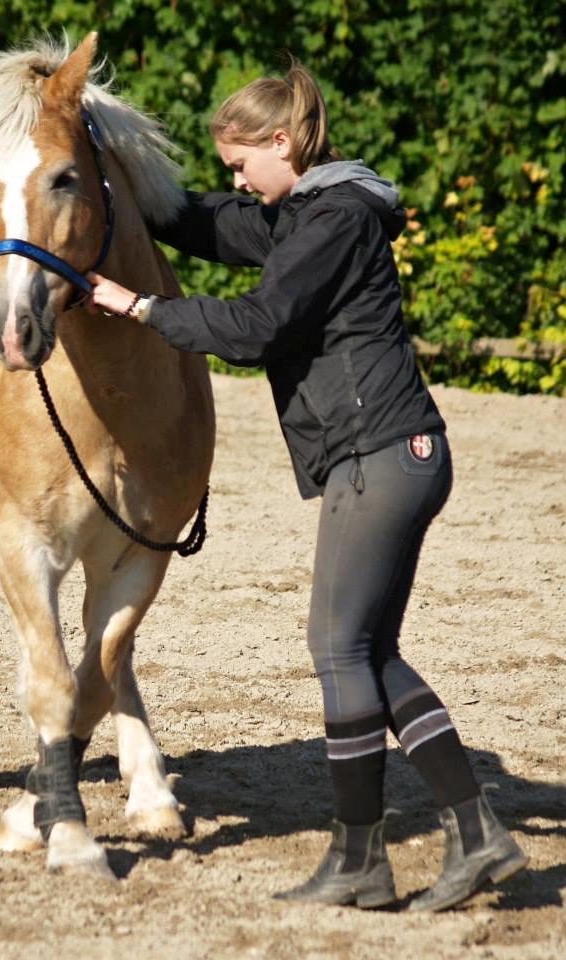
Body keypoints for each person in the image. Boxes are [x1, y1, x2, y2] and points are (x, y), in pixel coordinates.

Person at [87, 59, 528, 911]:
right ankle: (476, 835)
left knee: (336, 649)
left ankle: (361, 859)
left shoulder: (333, 220)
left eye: (240, 163)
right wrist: (123, 179)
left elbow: (257, 326)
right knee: (370, 652)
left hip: (379, 457)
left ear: (283, 141)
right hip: (393, 455)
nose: (236, 182)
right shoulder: (306, 215)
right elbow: (213, 224)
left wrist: (140, 307)